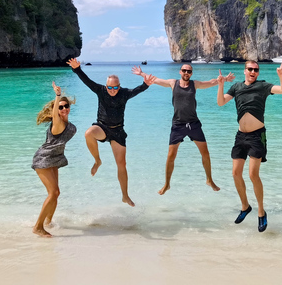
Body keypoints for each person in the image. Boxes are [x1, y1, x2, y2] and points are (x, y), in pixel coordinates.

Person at [131, 64, 234, 195]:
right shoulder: (173, 83)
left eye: (189, 71)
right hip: (178, 125)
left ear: (191, 73)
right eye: (184, 70)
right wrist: (141, 73)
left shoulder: (194, 84)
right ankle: (167, 184)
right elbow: (155, 79)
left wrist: (224, 78)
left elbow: (210, 82)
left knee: (205, 154)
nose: (186, 72)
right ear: (180, 72)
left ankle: (209, 180)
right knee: (170, 156)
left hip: (193, 124)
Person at [67, 58, 155, 207]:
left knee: (122, 165)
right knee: (88, 133)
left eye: (115, 88)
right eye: (110, 87)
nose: (112, 91)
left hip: (118, 132)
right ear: (106, 86)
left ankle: (125, 196)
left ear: (119, 87)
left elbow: (137, 90)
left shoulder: (124, 93)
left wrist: (146, 84)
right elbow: (87, 81)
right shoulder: (100, 90)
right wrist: (77, 69)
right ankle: (97, 160)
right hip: (102, 127)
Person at [217, 61, 282, 232]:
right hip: (240, 136)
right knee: (235, 173)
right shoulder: (236, 86)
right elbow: (221, 102)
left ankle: (261, 212)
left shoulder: (263, 86)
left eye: (256, 70)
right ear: (244, 71)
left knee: (253, 175)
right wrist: (220, 85)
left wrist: (281, 76)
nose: (253, 72)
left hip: (257, 136)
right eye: (250, 69)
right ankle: (245, 206)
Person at [31, 81, 77, 237]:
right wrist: (57, 96)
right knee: (52, 193)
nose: (64, 109)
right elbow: (55, 113)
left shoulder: (70, 125)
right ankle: (38, 227)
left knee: (56, 193)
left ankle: (48, 222)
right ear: (56, 110)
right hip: (44, 158)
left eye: (66, 106)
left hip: (55, 159)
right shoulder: (57, 123)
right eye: (60, 107)